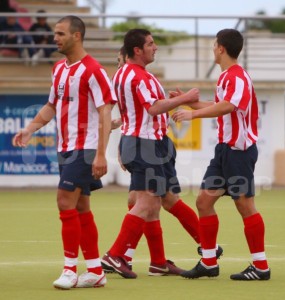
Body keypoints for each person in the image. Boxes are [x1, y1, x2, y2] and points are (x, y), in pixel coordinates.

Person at [12, 15, 116, 289]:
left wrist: (101, 153)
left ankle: (70, 269)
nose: (54, 38)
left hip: (86, 147)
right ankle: (95, 271)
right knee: (81, 206)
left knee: (64, 201)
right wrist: (30, 129)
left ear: (77, 36)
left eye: (60, 33)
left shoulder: (94, 70)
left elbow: (106, 112)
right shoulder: (59, 68)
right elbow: (51, 105)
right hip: (65, 147)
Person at [100, 28, 210, 279]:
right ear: (136, 50)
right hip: (146, 145)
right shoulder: (137, 76)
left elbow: (131, 114)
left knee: (162, 200)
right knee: (148, 202)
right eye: (150, 44)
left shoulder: (126, 75)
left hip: (148, 143)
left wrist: (122, 142)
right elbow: (153, 108)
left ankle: (161, 261)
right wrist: (187, 99)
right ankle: (116, 254)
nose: (155, 47)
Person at [172, 28, 270, 281]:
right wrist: (185, 102)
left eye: (214, 44)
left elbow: (227, 106)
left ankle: (261, 267)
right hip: (224, 152)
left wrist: (192, 114)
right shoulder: (227, 77)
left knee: (245, 205)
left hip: (239, 152)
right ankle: (208, 262)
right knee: (204, 202)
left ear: (221, 48)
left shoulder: (237, 76)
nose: (213, 49)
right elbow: (219, 106)